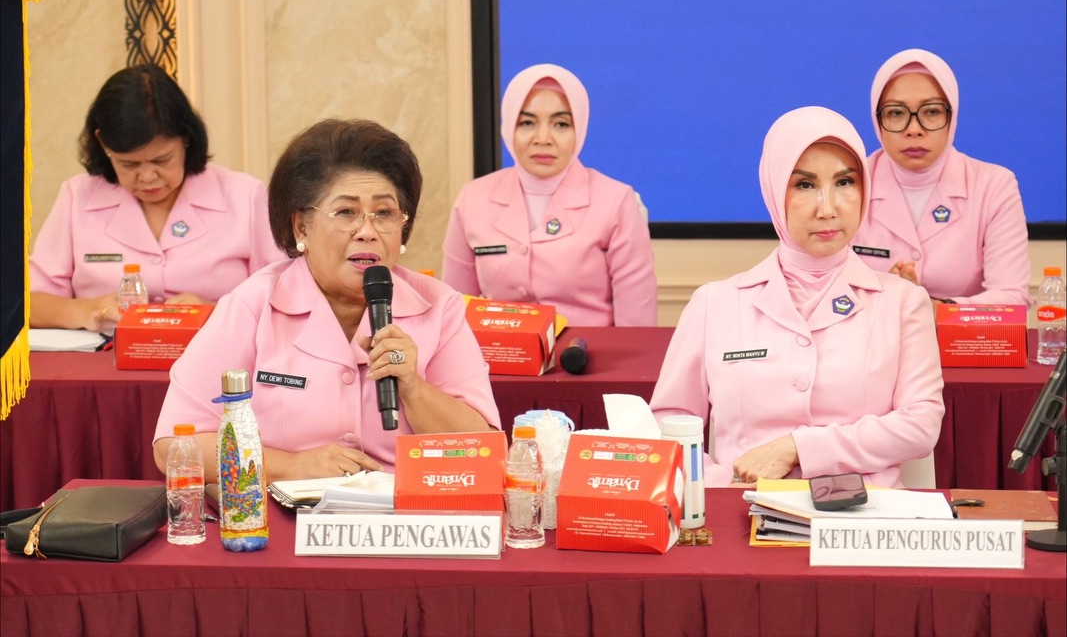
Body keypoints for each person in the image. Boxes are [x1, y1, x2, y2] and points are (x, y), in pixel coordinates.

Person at [152, 119, 500, 480]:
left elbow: (485, 450)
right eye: (346, 212)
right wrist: (290, 465)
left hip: (405, 509)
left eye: (384, 213)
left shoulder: (440, 307)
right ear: (301, 226)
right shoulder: (253, 306)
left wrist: (414, 387)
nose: (367, 231)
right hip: (285, 510)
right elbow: (174, 447)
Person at [649, 106, 944, 488]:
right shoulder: (714, 304)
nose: (828, 208)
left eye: (845, 182)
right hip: (742, 507)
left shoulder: (902, 302)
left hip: (865, 513)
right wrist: (723, 483)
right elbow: (667, 427)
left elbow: (920, 424)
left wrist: (797, 447)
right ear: (774, 191)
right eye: (805, 185)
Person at [29, 64, 285, 331]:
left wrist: (213, 312)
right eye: (129, 164)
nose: (147, 176)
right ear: (104, 144)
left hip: (215, 350)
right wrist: (89, 310)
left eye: (162, 160)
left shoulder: (245, 196)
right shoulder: (77, 197)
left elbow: (287, 296)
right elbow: (31, 303)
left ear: (186, 138)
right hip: (105, 353)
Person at [442, 63, 657, 326]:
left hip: (591, 351)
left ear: (579, 129)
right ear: (509, 126)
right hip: (497, 351)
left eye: (561, 124)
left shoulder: (616, 201)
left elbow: (636, 328)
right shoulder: (473, 199)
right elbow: (455, 314)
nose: (543, 138)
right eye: (527, 122)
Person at [851, 48, 1031, 309]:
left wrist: (932, 309)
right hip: (872, 335)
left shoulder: (993, 186)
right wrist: (885, 302)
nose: (914, 129)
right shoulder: (851, 184)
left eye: (932, 111)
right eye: (896, 113)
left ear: (951, 116)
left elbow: (1012, 300)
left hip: (962, 335)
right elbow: (822, 288)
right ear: (877, 120)